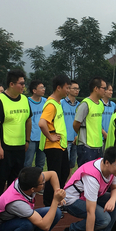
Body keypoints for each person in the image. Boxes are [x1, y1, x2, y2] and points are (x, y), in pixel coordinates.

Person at [59, 146, 116, 231]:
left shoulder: (112, 170)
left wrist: (112, 200)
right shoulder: (92, 176)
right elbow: (91, 212)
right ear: (107, 163)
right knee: (104, 219)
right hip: (72, 200)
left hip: (91, 196)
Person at [0, 167, 66, 231]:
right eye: (42, 183)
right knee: (27, 224)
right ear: (32, 189)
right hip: (1, 229)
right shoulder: (17, 203)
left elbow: (52, 174)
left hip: (18, 217)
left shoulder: (26, 182)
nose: (44, 182)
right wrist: (55, 200)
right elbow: (45, 226)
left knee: (56, 212)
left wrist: (57, 191)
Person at [0, 71, 30, 198]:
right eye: (21, 83)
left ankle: (12, 204)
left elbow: (28, 120)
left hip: (20, 147)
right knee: (0, 180)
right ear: (11, 84)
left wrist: (27, 140)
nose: (23, 86)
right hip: (4, 148)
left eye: (24, 83)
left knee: (16, 181)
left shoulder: (24, 99)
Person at [39, 74, 71, 206]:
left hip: (60, 145)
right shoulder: (51, 104)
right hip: (53, 146)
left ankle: (56, 200)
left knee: (64, 171)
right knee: (54, 175)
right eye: (67, 88)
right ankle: (49, 204)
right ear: (59, 88)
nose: (68, 90)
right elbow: (42, 123)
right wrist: (50, 136)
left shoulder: (57, 103)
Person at [73, 76, 107, 166]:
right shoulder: (85, 104)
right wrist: (81, 135)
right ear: (96, 88)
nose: (105, 91)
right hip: (86, 146)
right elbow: (76, 124)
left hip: (98, 145)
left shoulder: (101, 104)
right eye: (104, 88)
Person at [24, 80, 46, 169]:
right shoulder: (26, 101)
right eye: (41, 88)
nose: (44, 89)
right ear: (34, 90)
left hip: (43, 137)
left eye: (44, 87)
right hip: (31, 138)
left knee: (41, 163)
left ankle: (38, 177)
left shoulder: (45, 101)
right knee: (27, 163)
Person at [62, 80, 80, 170]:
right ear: (68, 89)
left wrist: (78, 136)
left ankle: (69, 179)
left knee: (72, 164)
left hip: (76, 139)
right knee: (64, 163)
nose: (77, 90)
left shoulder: (79, 105)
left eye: (78, 89)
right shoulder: (61, 103)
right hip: (65, 138)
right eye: (74, 88)